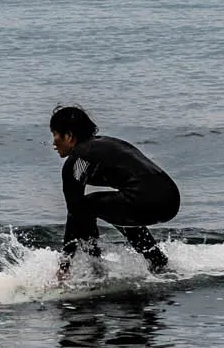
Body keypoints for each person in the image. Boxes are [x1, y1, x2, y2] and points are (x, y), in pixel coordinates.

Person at [50, 105, 179, 281]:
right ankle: (157, 261)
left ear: (69, 136)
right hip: (171, 199)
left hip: (147, 200)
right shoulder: (107, 144)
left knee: (86, 205)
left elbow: (75, 210)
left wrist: (64, 265)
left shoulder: (79, 158)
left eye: (55, 134)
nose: (53, 143)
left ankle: (94, 266)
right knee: (115, 208)